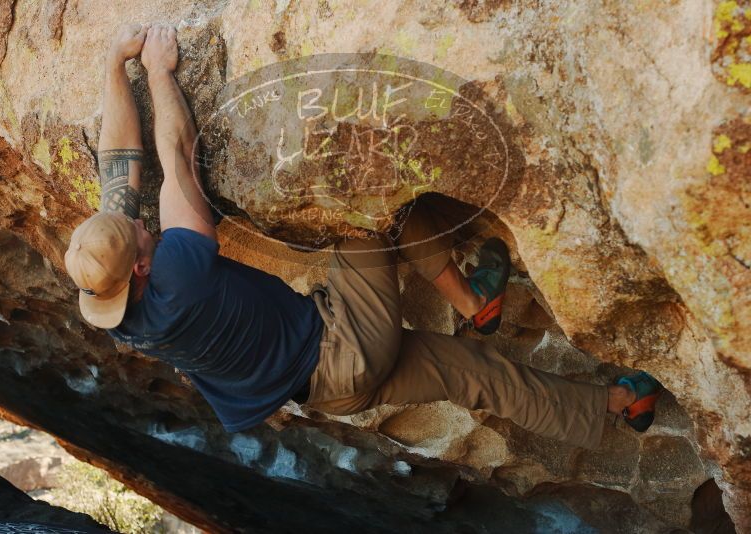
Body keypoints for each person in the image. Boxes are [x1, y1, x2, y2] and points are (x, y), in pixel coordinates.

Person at [64, 24, 663, 450]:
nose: (143, 225)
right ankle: (472, 300)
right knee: (365, 201)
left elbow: (119, 168)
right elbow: (176, 153)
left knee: (479, 377)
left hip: (329, 391)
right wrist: (160, 74)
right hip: (341, 344)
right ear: (142, 269)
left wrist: (114, 67)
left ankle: (621, 404)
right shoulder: (180, 274)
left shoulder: (108, 297)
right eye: (141, 238)